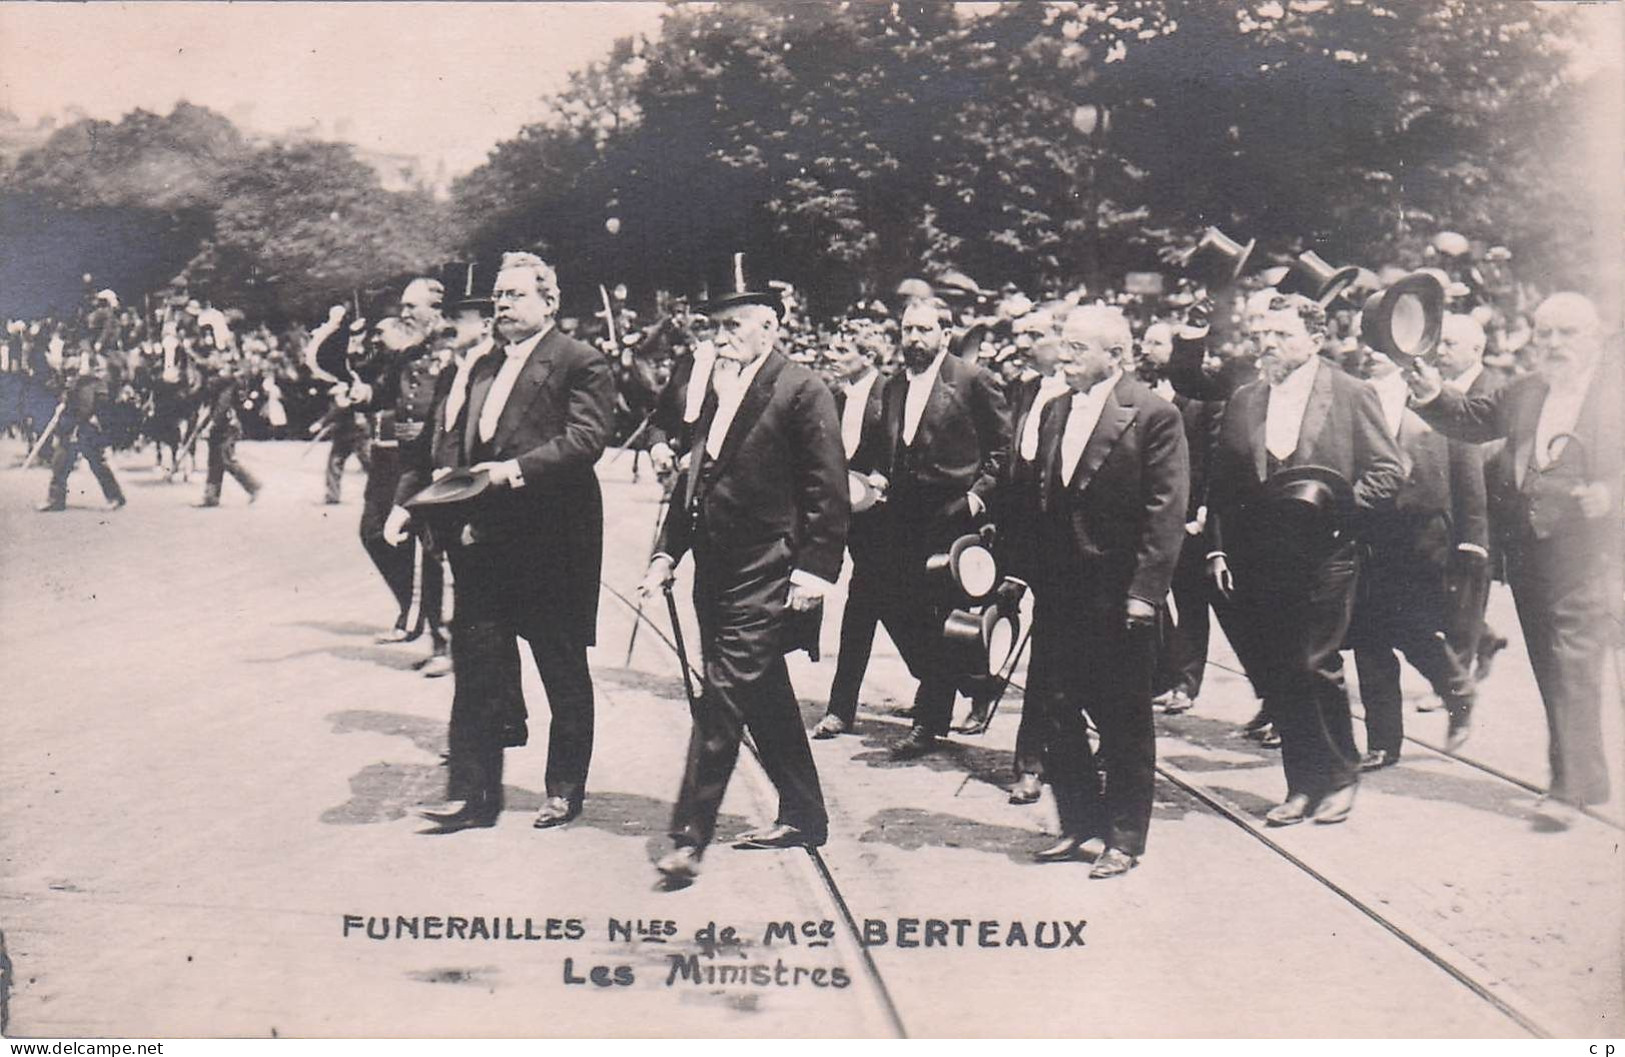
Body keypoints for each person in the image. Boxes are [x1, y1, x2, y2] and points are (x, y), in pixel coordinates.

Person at [640, 289, 848, 885]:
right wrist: (664, 552)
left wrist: (815, 571)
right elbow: (693, 480)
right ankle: (804, 812)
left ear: (770, 327)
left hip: (768, 569)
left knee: (724, 697)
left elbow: (827, 490)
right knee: (763, 695)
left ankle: (689, 835)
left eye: (734, 326)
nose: (721, 338)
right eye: (716, 328)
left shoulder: (803, 389)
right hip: (717, 569)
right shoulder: (717, 388)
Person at [410, 252, 614, 833]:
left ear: (549, 302)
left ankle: (564, 788)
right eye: (499, 296)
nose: (502, 305)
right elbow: (466, 445)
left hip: (554, 540)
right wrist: (450, 494)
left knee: (561, 668)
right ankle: (474, 796)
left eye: (516, 295)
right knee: (476, 665)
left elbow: (586, 438)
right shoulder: (481, 366)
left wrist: (513, 471)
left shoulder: (580, 361)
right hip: (488, 539)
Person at [1407, 292, 1623, 816]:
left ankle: (1568, 787)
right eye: (1544, 333)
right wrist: (1432, 392)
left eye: (1566, 333)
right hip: (1530, 552)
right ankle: (1584, 779)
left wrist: (1614, 494)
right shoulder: (1529, 389)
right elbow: (1474, 418)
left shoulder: (1615, 392)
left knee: (1574, 663)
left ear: (1594, 337)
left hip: (1594, 553)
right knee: (1553, 664)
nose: (1553, 344)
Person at [1205, 293, 1405, 826]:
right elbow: (1222, 482)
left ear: (1315, 339)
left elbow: (1389, 469)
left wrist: (1339, 511)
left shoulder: (1350, 392)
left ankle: (1340, 777)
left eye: (1282, 335)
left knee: (1315, 664)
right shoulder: (1246, 398)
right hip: (1259, 556)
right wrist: (1220, 546)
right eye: (1263, 335)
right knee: (1278, 669)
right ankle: (1301, 784)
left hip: (1327, 552)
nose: (1268, 344)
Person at [1022, 306, 1188, 877]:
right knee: (1057, 708)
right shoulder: (1054, 411)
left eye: (1076, 349)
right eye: (1062, 346)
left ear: (1114, 355)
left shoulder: (1153, 415)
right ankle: (1078, 823)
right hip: (1060, 589)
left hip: (1117, 592)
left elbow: (1164, 513)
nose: (1062, 357)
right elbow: (1041, 500)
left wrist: (1145, 593)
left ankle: (1124, 836)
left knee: (1123, 717)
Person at [867, 298, 1012, 757]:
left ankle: (929, 723)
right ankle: (971, 682)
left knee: (943, 617)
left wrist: (976, 496)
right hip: (901, 517)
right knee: (896, 605)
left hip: (953, 517)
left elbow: (1002, 451)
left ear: (945, 335)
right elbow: (885, 449)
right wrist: (878, 475)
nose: (913, 339)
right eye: (907, 329)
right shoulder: (892, 387)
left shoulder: (972, 381)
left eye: (923, 330)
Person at [1347, 349, 1480, 768]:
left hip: (1422, 538)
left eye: (1381, 347)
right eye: (1367, 346)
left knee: (1412, 628)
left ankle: (1457, 689)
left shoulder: (1438, 396)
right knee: (1368, 639)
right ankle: (1384, 741)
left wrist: (1474, 539)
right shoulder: (1353, 397)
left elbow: (1468, 473)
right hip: (1366, 532)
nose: (1370, 354)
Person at [353, 280, 450, 657]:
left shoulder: (450, 353)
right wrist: (364, 396)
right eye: (404, 307)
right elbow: (384, 392)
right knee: (374, 532)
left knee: (433, 552)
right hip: (402, 458)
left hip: (434, 458)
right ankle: (414, 613)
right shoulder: (408, 352)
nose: (404, 314)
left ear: (436, 309)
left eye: (412, 307)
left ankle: (441, 642)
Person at [1139, 319, 1223, 715]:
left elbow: (1213, 457)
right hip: (1154, 514)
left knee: (1191, 600)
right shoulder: (1144, 395)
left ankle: (1187, 683)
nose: (1146, 349)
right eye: (1144, 342)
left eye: (1156, 343)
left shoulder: (1204, 398)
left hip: (1191, 516)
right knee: (1154, 596)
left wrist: (1205, 509)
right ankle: (1166, 674)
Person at [812, 332, 889, 739]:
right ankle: (840, 709)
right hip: (838, 512)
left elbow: (902, 446)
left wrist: (883, 473)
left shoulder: (891, 393)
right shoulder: (834, 397)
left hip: (878, 522)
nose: (832, 355)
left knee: (886, 610)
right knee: (838, 602)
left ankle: (965, 681)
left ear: (868, 356)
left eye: (843, 351)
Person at [1434, 313, 1508, 682]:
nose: (1440, 352)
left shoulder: (1492, 389)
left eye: (1450, 344)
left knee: (1465, 592)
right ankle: (1487, 639)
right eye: (1439, 344)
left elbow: (1490, 454)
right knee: (1445, 593)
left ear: (1476, 349)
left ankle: (1456, 686)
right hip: (1445, 506)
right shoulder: (1439, 386)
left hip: (1483, 510)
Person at [37, 355, 127, 513]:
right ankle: (56, 499)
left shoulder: (92, 384)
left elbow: (88, 408)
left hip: (86, 430)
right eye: (69, 372)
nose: (70, 376)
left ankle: (115, 497)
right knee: (60, 463)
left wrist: (74, 421)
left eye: (73, 371)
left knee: (97, 465)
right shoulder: (73, 384)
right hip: (72, 429)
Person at [194, 348, 261, 508]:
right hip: (219, 425)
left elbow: (222, 407)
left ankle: (253, 486)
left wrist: (209, 425)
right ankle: (211, 497)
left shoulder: (226, 382)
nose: (209, 360)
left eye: (213, 357)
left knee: (226, 459)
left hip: (227, 426)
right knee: (214, 461)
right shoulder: (216, 380)